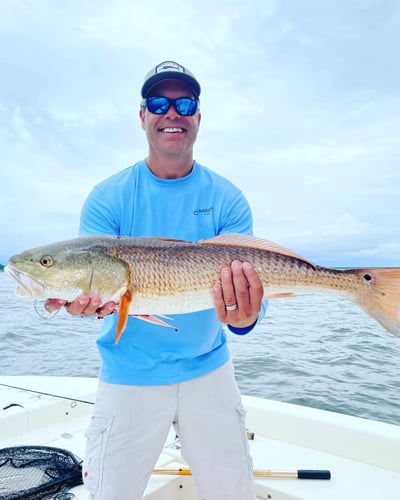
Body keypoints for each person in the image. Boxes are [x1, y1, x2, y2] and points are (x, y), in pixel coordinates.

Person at [46, 60, 266, 500]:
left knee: (233, 492)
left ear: (198, 118)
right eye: (158, 103)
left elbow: (250, 304)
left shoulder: (227, 198)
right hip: (129, 373)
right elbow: (97, 286)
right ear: (143, 116)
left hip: (210, 368)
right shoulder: (108, 198)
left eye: (184, 103)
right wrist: (82, 303)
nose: (172, 113)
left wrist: (244, 318)